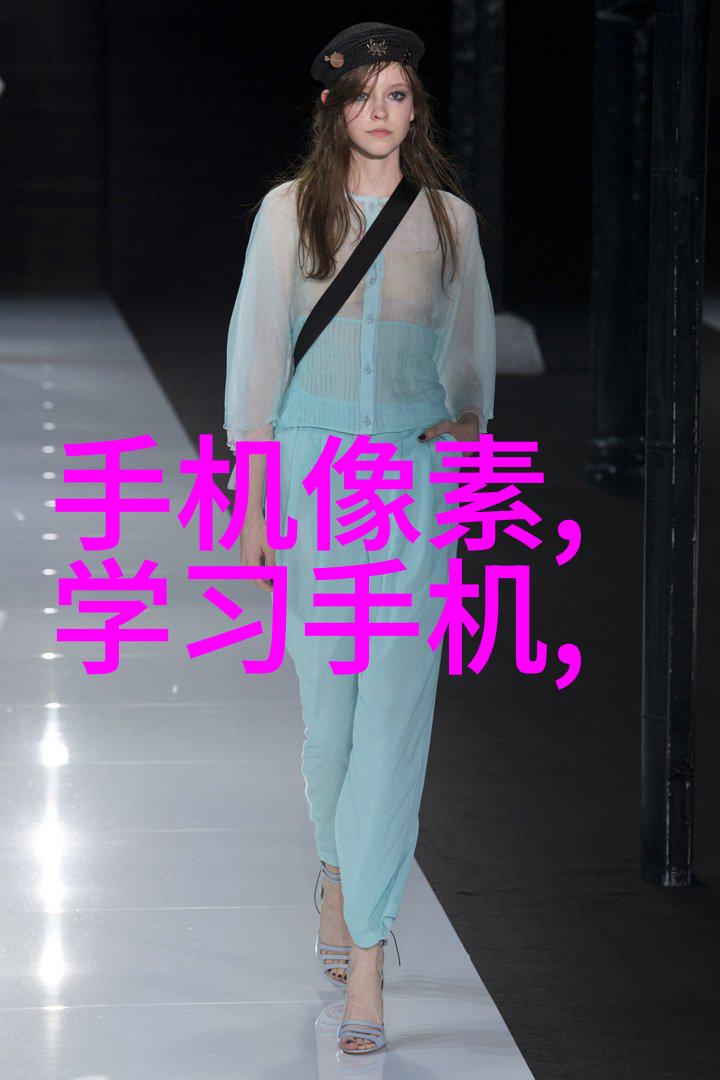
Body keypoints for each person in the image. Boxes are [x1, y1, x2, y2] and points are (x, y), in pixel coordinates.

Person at [224, 21, 496, 1054]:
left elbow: (469, 362)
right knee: (329, 715)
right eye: (363, 96)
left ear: (415, 109)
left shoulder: (451, 221)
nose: (382, 112)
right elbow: (258, 357)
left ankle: (370, 953)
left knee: (395, 711)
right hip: (315, 479)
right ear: (332, 109)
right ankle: (337, 873)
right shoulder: (287, 211)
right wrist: (254, 505)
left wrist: (464, 456)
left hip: (415, 486)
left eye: (398, 95)